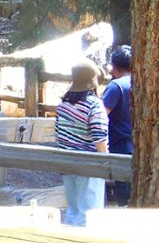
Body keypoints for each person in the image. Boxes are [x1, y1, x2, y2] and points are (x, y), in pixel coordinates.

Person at [55, 59, 108, 226]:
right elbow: (99, 137)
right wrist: (106, 162)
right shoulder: (94, 105)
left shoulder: (63, 105)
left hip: (67, 162)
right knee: (90, 211)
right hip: (89, 164)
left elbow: (59, 134)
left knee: (73, 208)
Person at [102, 45, 133, 206]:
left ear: (114, 67)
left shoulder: (116, 87)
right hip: (142, 148)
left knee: (125, 199)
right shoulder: (143, 83)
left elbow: (100, 116)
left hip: (121, 147)